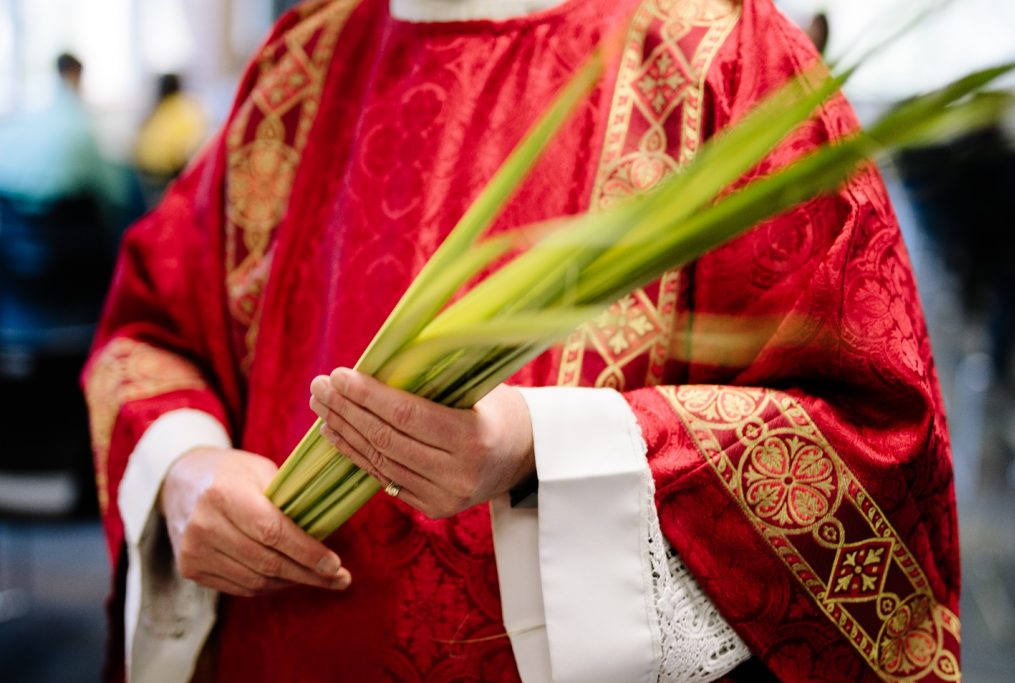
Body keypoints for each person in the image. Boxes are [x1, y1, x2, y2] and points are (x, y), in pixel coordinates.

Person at [84, 0, 961, 681]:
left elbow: (874, 439)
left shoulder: (724, 57)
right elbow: (149, 330)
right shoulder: (298, 63)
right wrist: (184, 469)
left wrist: (541, 448)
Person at [0, 53, 122, 214]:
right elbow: (109, 188)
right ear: (75, 75)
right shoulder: (79, 123)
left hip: (18, 218)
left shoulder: (30, 117)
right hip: (64, 221)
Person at [134, 73, 207, 197]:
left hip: (146, 176)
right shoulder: (184, 108)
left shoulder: (154, 111)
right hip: (170, 175)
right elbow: (188, 148)